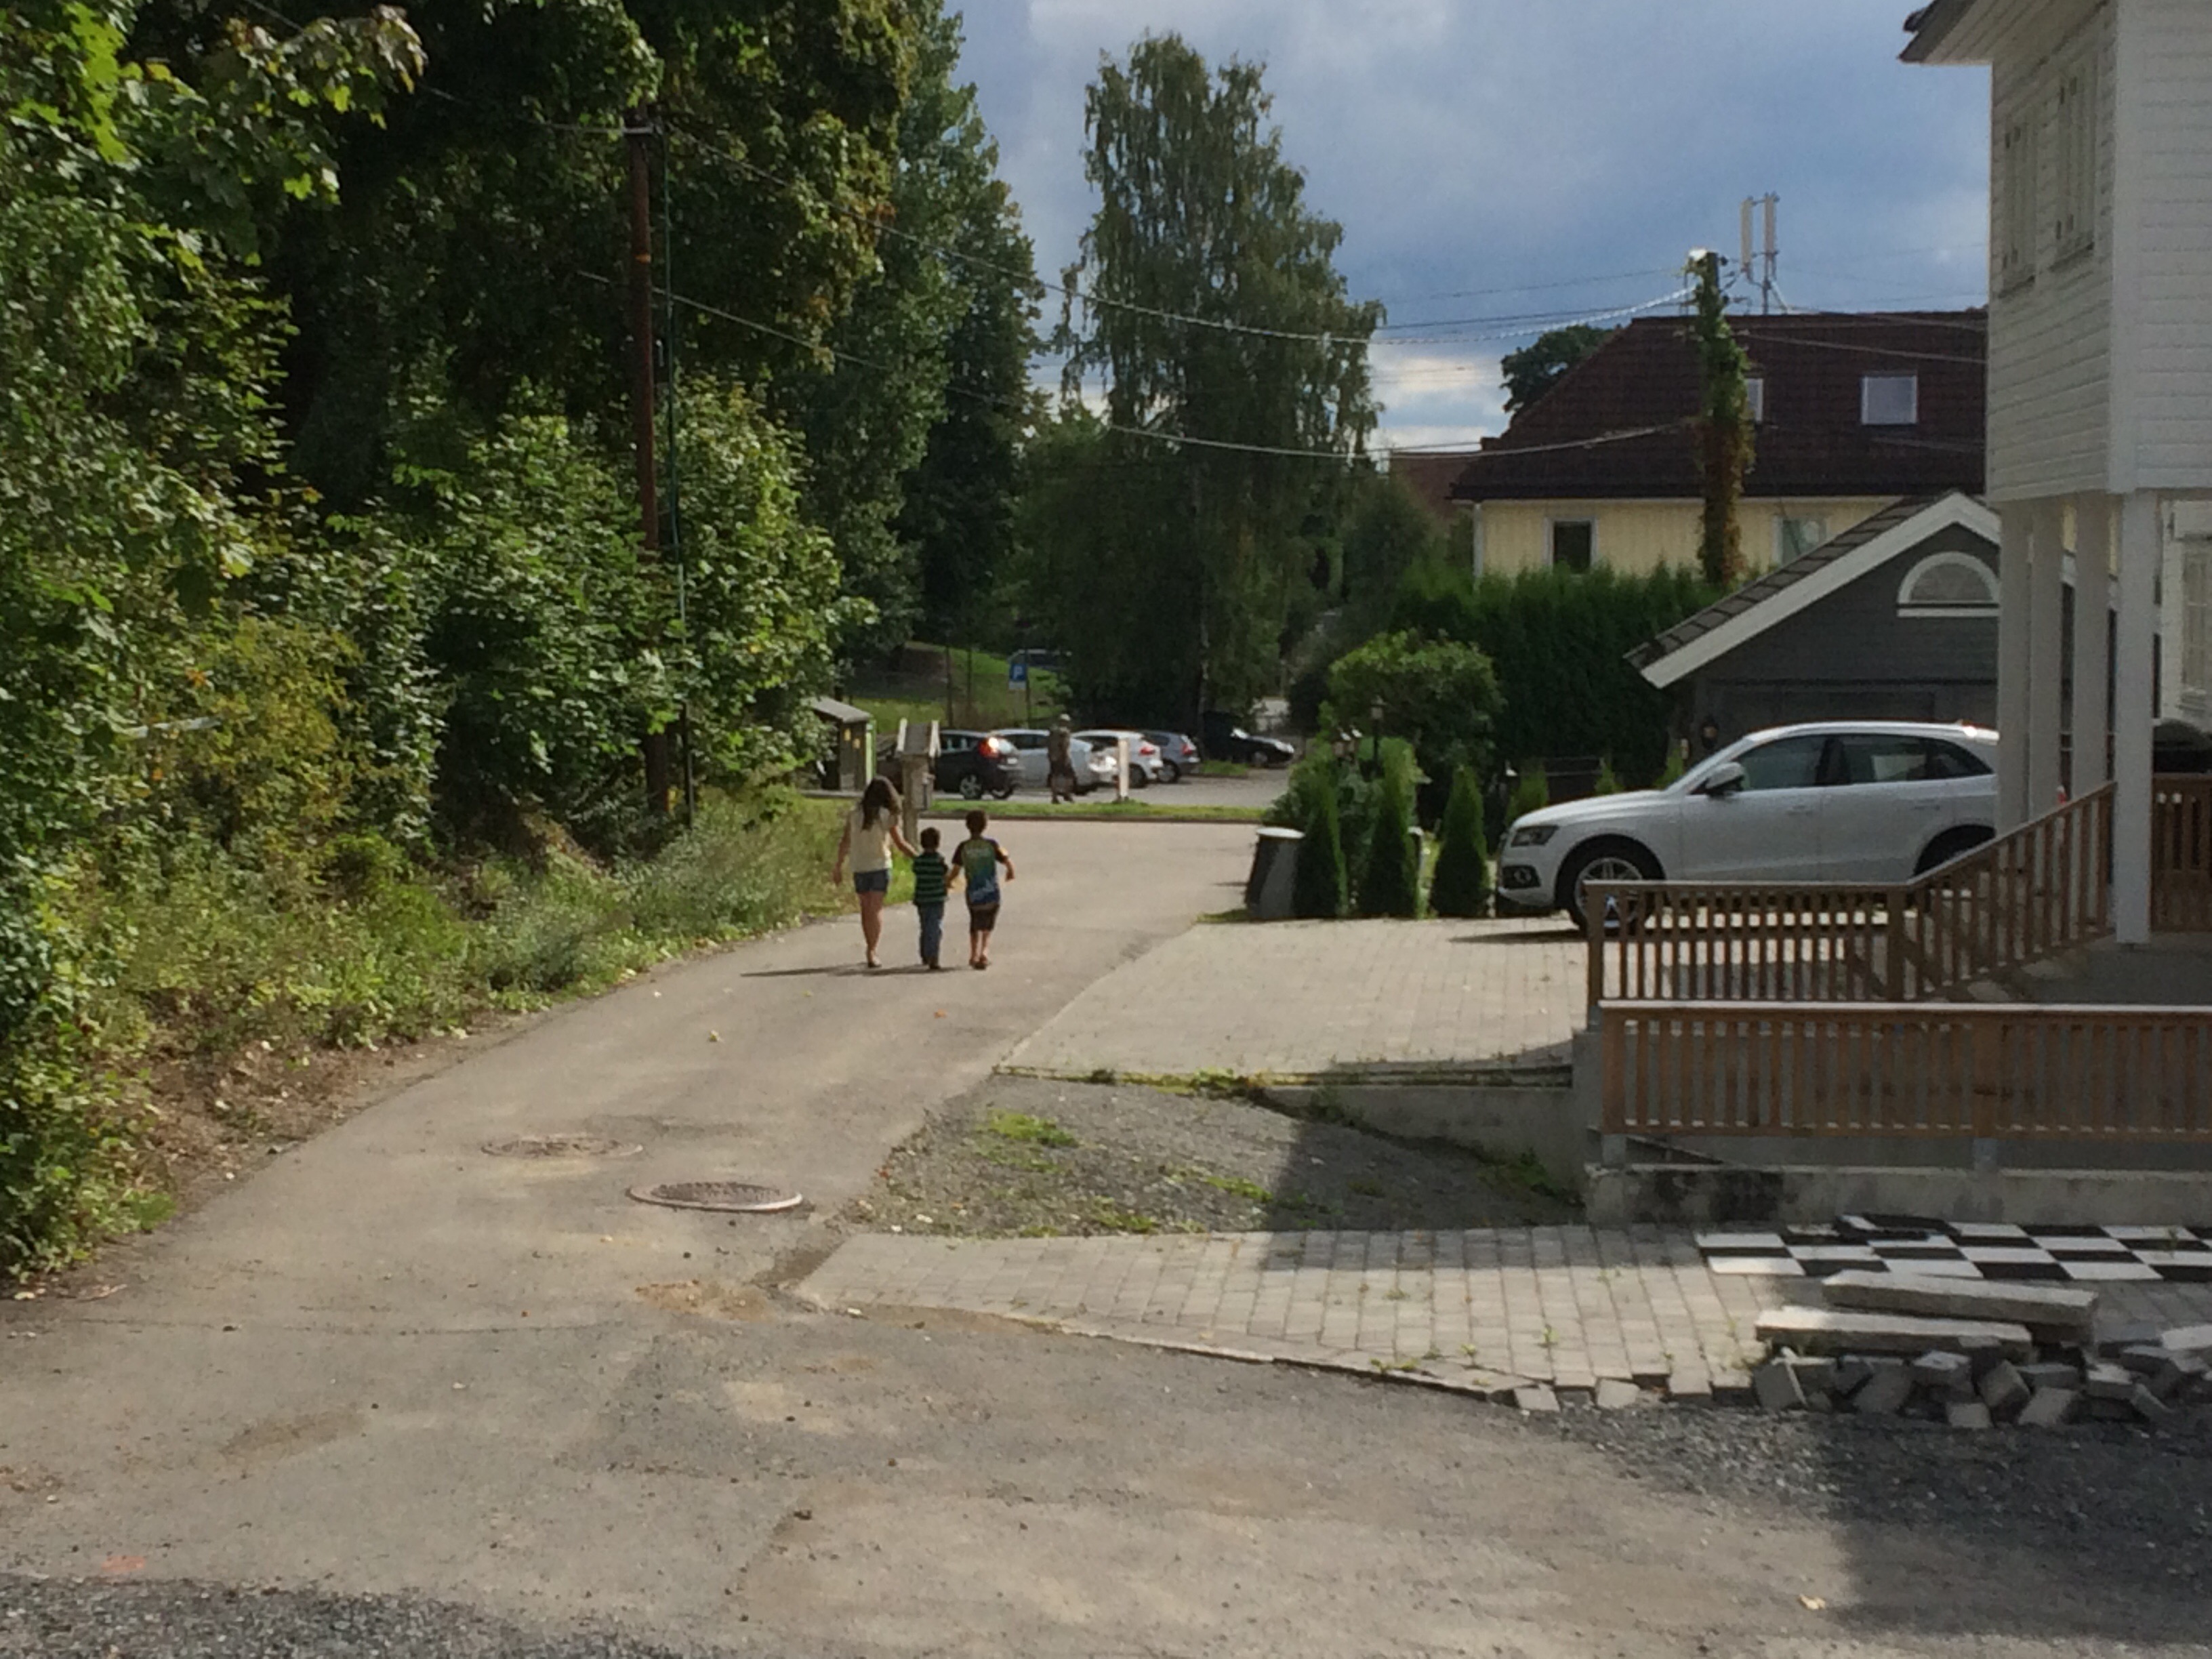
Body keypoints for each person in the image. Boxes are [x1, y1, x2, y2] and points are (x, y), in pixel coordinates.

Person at [832, 776, 917, 968]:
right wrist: (919, 858)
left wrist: (838, 865)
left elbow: (845, 841)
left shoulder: (855, 814)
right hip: (880, 865)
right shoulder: (886, 815)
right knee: (876, 908)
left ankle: (869, 947)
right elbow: (900, 843)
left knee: (866, 909)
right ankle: (873, 950)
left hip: (859, 866)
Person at [953, 808, 1015, 969]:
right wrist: (1011, 871)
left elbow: (956, 870)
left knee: (975, 921)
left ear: (967, 826)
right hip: (991, 891)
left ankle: (973, 954)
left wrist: (947, 882)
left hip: (973, 892)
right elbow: (1006, 859)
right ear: (985, 826)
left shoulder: (964, 847)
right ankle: (984, 953)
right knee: (988, 923)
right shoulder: (991, 845)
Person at [910, 825, 949, 970]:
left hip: (922, 898)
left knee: (925, 926)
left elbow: (915, 870)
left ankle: (925, 953)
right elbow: (945, 874)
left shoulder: (919, 861)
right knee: (935, 927)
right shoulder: (939, 860)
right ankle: (933, 956)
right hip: (937, 898)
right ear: (938, 843)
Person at [1046, 719, 1078, 803]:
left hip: (1053, 757)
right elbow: (1065, 745)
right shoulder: (1065, 732)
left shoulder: (1053, 732)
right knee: (1070, 776)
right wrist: (1066, 757)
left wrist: (1051, 756)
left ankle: (1054, 797)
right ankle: (1067, 794)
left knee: (1054, 776)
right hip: (1062, 757)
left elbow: (1048, 745)